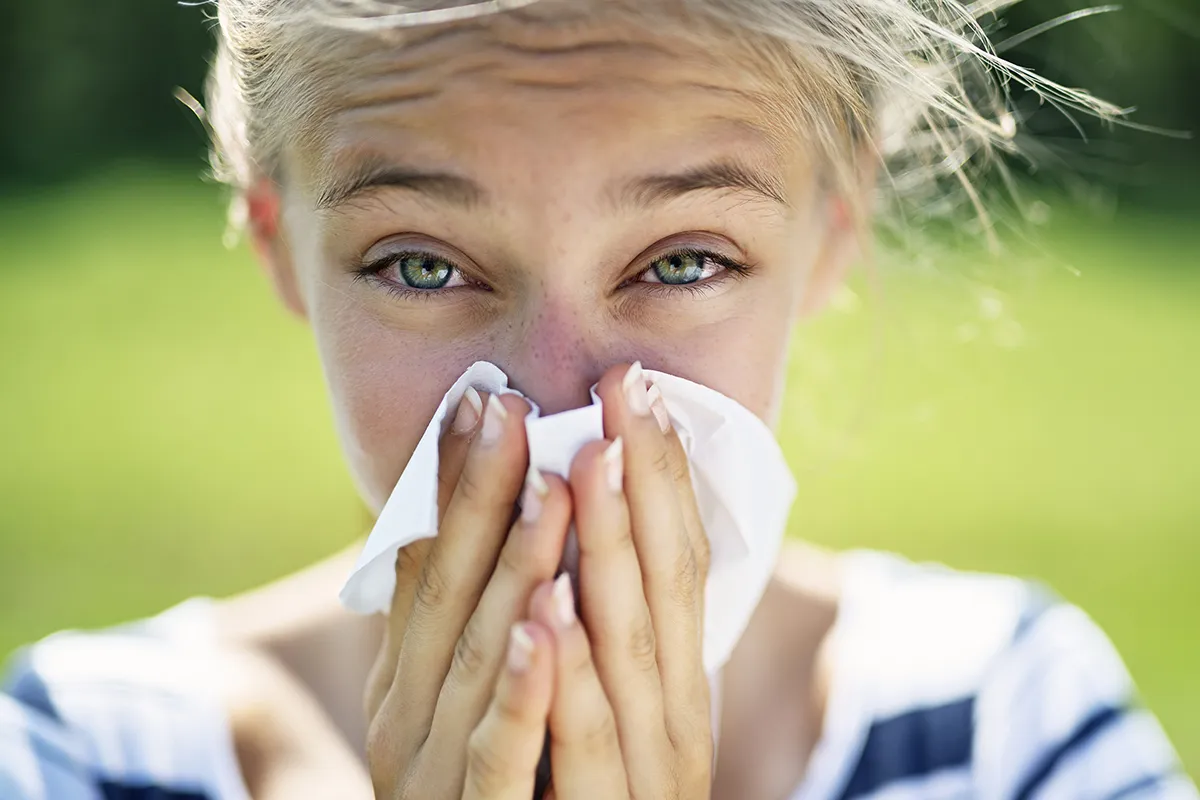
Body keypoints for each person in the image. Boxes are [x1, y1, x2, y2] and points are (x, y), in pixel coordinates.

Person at [1, 1, 1195, 798]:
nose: (560, 405)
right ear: (277, 242)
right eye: (423, 263)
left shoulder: (1008, 729)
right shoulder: (76, 751)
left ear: (832, 233)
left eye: (682, 261)